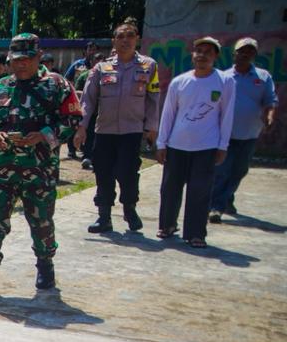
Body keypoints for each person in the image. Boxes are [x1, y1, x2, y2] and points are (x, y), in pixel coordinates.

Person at [0, 34, 81, 300]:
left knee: (41, 223)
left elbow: (73, 120)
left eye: (27, 59)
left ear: (38, 57)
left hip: (40, 172)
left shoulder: (56, 85)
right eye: (16, 60)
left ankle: (45, 266)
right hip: (2, 171)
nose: (21, 65)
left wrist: (44, 135)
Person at [75, 20, 160, 233]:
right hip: (105, 131)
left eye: (129, 36)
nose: (125, 40)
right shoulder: (101, 68)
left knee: (128, 171)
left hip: (132, 131)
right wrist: (82, 126)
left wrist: (151, 127)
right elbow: (88, 100)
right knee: (103, 172)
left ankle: (129, 208)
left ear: (137, 39)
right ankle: (104, 217)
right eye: (120, 37)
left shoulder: (149, 66)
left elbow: (153, 99)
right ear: (114, 40)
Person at [155, 36, 234, 247]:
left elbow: (226, 115)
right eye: (199, 51)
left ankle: (196, 233)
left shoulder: (225, 81)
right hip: (176, 145)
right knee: (170, 188)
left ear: (216, 56)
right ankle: (167, 225)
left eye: (208, 52)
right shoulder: (180, 82)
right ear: (192, 55)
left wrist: (222, 146)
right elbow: (168, 114)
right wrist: (162, 143)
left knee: (200, 190)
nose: (202, 55)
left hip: (206, 146)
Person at [210, 37, 277, 222]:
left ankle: (226, 198)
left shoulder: (263, 77)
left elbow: (270, 100)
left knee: (239, 170)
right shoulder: (224, 77)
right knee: (222, 170)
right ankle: (216, 206)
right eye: (241, 51)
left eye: (249, 51)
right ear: (234, 54)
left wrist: (269, 116)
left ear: (254, 55)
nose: (244, 54)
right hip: (225, 134)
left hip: (249, 133)